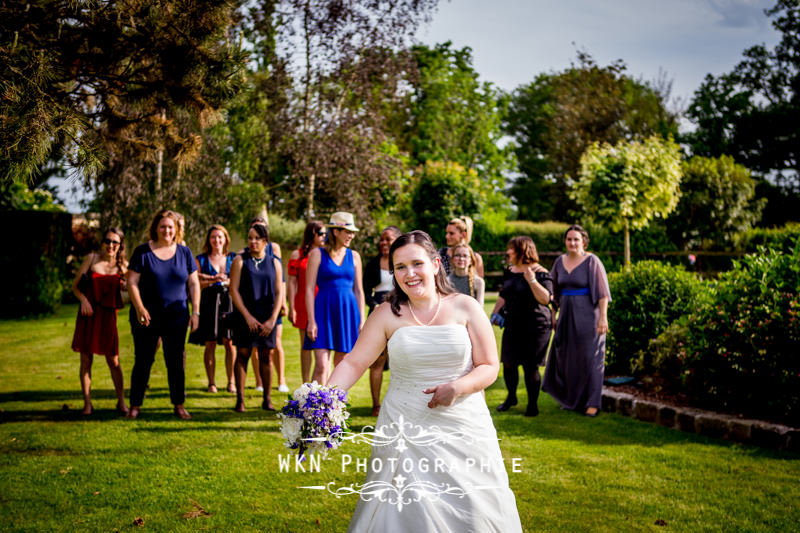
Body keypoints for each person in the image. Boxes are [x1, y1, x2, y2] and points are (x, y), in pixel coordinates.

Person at [327, 230, 522, 532]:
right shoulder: (385, 314)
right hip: (403, 427)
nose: (409, 274)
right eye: (400, 267)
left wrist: (457, 387)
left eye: (416, 264)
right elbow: (354, 362)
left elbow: (488, 365)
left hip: (463, 425)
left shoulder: (465, 306)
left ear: (434, 264)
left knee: (472, 507)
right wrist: (323, 400)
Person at [127, 209, 200, 420]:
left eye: (170, 227)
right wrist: (140, 307)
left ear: (176, 229)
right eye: (162, 226)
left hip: (177, 317)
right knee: (143, 360)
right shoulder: (142, 252)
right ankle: (135, 405)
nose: (166, 230)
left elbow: (193, 283)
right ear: (156, 229)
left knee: (176, 361)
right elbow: (132, 282)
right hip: (146, 317)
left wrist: (195, 311)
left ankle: (179, 405)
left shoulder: (184, 253)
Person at [542, 224, 611, 417]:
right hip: (565, 317)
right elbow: (554, 292)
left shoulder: (592, 261)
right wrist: (554, 315)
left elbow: (603, 294)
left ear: (583, 241)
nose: (572, 243)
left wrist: (603, 318)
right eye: (569, 239)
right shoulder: (559, 262)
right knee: (568, 359)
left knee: (591, 359)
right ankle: (572, 400)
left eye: (576, 239)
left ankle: (592, 403)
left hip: (590, 317)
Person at [491, 236, 552, 416]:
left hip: (536, 325)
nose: (508, 252)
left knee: (530, 366)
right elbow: (504, 295)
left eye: (511, 249)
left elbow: (546, 299)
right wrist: (495, 313)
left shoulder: (541, 273)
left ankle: (532, 405)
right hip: (513, 324)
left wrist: (532, 280)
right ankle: (511, 397)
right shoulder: (510, 271)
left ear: (522, 250)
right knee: (509, 364)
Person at [71, 227, 129, 416]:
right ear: (102, 242)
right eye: (108, 241)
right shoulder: (92, 259)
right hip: (88, 315)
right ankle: (87, 404)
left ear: (120, 246)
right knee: (86, 360)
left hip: (107, 318)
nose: (110, 245)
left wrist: (125, 286)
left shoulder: (123, 267)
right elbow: (75, 287)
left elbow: (129, 293)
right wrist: (84, 300)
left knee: (113, 360)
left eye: (115, 242)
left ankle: (121, 402)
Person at [305, 212, 365, 385]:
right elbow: (309, 289)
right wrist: (311, 321)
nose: (351, 236)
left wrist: (361, 320)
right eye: (348, 232)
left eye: (353, 232)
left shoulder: (354, 257)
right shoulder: (317, 254)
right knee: (322, 365)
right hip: (323, 313)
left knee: (341, 365)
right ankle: (314, 408)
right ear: (336, 232)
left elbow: (359, 290)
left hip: (347, 313)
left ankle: (333, 409)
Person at [230, 223, 285, 412]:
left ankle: (267, 400)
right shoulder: (239, 260)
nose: (252, 242)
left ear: (265, 242)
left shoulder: (275, 263)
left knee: (265, 356)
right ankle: (240, 400)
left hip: (267, 317)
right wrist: (247, 316)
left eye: (257, 239)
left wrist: (272, 319)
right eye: (250, 238)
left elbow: (279, 292)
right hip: (245, 316)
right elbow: (233, 290)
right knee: (243, 355)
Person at [188, 224, 237, 394]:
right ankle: (211, 383)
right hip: (208, 302)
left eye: (220, 237)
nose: (217, 240)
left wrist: (228, 281)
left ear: (225, 239)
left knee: (230, 342)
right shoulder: (200, 259)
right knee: (210, 342)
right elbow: (194, 283)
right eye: (213, 237)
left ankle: (231, 382)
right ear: (209, 240)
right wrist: (212, 280)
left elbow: (239, 281)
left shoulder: (233, 258)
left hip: (229, 302)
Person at [362, 225, 402, 416]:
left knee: (401, 361)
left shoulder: (403, 262)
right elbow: (363, 291)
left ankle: (399, 405)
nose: (384, 243)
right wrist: (374, 304)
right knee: (377, 361)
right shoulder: (372, 264)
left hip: (401, 314)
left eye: (389, 239)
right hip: (378, 313)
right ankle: (376, 404)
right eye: (382, 239)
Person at [287, 220, 326, 383]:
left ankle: (320, 380)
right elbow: (291, 282)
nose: (325, 237)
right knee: (305, 345)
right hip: (303, 303)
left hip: (322, 301)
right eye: (322, 233)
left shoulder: (326, 253)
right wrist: (291, 307)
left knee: (322, 345)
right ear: (312, 234)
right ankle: (305, 383)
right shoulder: (298, 255)